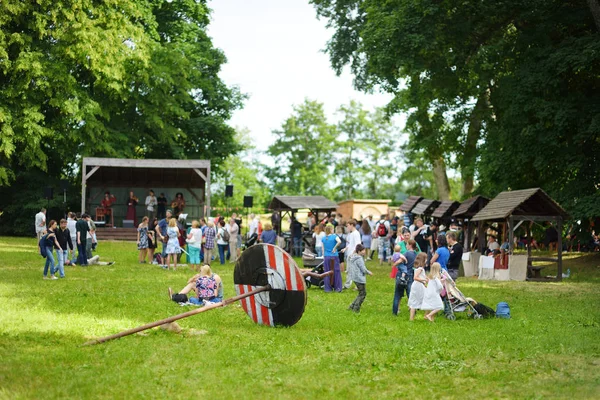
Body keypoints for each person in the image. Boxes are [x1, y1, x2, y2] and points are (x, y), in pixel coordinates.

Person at [393, 239, 418, 315]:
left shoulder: (406, 253)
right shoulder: (415, 254)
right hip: (410, 275)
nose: (406, 246)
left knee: (397, 294)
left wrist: (394, 264)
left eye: (407, 244)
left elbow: (399, 261)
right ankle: (413, 310)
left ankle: (395, 311)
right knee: (410, 294)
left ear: (410, 245)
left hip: (401, 275)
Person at [346, 244, 372, 313]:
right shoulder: (359, 259)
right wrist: (369, 272)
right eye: (362, 250)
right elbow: (363, 269)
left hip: (354, 277)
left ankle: (352, 306)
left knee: (361, 293)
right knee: (363, 294)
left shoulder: (353, 257)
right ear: (358, 251)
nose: (364, 252)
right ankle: (356, 308)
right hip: (359, 278)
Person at [408, 252, 429, 321]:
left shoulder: (419, 268)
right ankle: (426, 315)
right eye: (426, 259)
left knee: (414, 302)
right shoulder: (420, 269)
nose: (427, 260)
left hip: (416, 286)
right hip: (419, 286)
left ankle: (411, 318)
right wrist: (424, 280)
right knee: (426, 299)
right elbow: (415, 277)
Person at [322, 224, 342, 292]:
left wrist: (323, 256)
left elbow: (323, 249)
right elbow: (339, 241)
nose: (333, 230)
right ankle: (337, 288)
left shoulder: (324, 238)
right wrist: (335, 247)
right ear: (330, 230)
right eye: (333, 229)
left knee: (327, 272)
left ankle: (328, 288)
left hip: (326, 256)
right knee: (336, 271)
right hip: (334, 256)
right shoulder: (334, 236)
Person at [343, 219, 362, 289]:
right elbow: (351, 244)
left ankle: (358, 285)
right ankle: (347, 284)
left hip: (353, 255)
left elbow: (358, 245)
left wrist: (353, 253)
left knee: (355, 270)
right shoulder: (351, 234)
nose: (347, 227)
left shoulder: (356, 233)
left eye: (348, 225)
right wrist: (345, 248)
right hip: (350, 253)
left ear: (352, 225)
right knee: (349, 270)